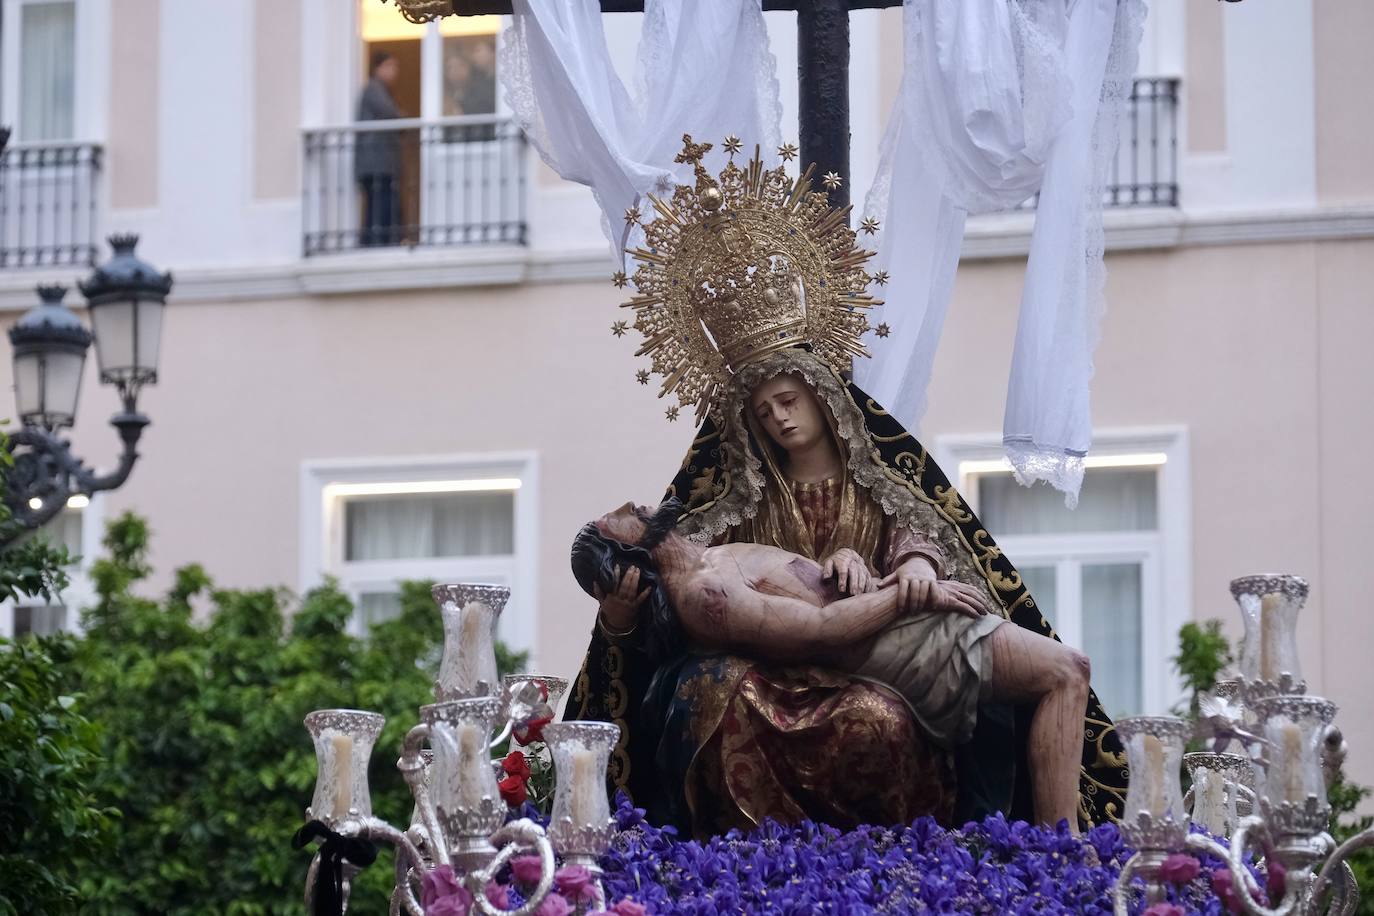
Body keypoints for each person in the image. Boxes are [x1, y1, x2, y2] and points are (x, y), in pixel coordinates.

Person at [564, 137, 1128, 836]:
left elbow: (921, 528)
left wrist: (915, 566)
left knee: (885, 717)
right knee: (714, 691)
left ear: (822, 394)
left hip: (882, 657)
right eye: (763, 412)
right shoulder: (724, 509)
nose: (780, 418)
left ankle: (998, 849)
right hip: (778, 664)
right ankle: (751, 856)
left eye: (789, 399)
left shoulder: (879, 477)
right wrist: (622, 617)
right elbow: (675, 608)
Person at [575, 499, 1092, 830]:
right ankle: (1064, 855)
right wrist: (914, 597)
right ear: (627, 558)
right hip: (904, 641)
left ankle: (1062, 849)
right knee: (1066, 671)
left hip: (900, 618)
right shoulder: (704, 592)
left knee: (1066, 671)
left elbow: (814, 582)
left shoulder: (709, 556)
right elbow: (820, 630)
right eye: (617, 518)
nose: (631, 504)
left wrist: (854, 559)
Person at [355, 51, 402, 246]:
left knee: (380, 203)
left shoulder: (378, 89)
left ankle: (378, 239)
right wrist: (403, 118)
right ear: (377, 68)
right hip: (375, 161)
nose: (394, 71)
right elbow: (390, 112)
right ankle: (376, 241)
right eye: (389, 66)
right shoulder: (374, 89)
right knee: (379, 203)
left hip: (377, 161)